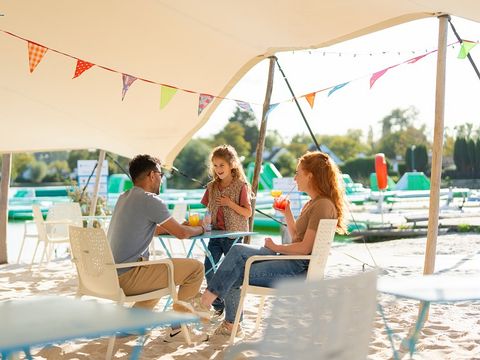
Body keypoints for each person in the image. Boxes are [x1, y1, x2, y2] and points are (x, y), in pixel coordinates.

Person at [198, 151, 347, 337]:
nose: (295, 177)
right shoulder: (314, 203)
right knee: (237, 251)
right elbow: (297, 239)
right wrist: (288, 214)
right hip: (291, 263)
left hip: (296, 270)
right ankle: (216, 312)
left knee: (234, 270)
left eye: (298, 173)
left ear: (310, 175)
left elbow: (304, 249)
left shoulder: (323, 205)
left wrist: (276, 247)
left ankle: (211, 309)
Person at [107, 154, 209, 342]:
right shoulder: (150, 200)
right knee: (195, 269)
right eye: (161, 174)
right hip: (128, 277)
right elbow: (182, 234)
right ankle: (179, 327)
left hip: (108, 275)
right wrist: (201, 228)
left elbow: (146, 229)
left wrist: (179, 227)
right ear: (152, 175)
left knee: (159, 270)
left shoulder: (124, 198)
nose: (162, 179)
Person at [200, 144, 252, 318]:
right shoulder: (212, 186)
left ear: (232, 165)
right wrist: (204, 220)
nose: (218, 169)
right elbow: (207, 210)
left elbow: (248, 212)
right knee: (208, 268)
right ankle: (218, 304)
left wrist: (230, 204)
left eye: (222, 165)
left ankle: (235, 314)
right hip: (215, 235)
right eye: (215, 165)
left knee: (231, 274)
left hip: (234, 237)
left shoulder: (240, 186)